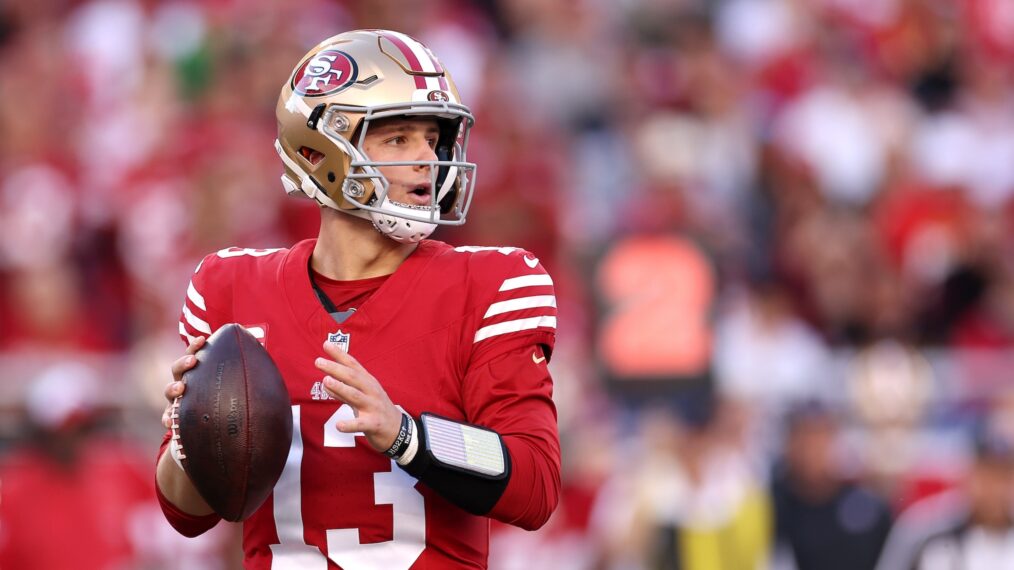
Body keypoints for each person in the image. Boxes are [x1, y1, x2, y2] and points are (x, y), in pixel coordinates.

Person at [155, 29, 561, 569]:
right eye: (397, 139)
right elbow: (186, 515)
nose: (428, 159)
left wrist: (407, 435)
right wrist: (195, 436)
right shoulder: (228, 287)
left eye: (433, 139)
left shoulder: (491, 282)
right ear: (321, 149)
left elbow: (535, 483)